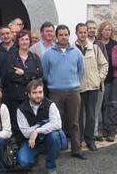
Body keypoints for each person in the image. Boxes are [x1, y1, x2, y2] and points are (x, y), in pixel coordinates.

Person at [41, 25, 86, 159]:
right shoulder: (48, 53)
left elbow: (81, 71)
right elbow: (45, 72)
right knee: (55, 122)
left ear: (69, 35)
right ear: (56, 36)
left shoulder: (76, 52)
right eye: (61, 34)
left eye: (66, 34)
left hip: (73, 91)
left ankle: (76, 150)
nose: (63, 37)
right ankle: (56, 149)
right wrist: (54, 82)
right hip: (55, 92)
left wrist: (72, 82)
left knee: (74, 122)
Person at [16, 80, 62, 174]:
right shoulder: (21, 109)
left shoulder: (50, 105)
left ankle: (51, 166)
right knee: (24, 162)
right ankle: (35, 156)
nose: (38, 95)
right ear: (29, 94)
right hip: (31, 141)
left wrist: (37, 130)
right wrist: (43, 125)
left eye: (40, 92)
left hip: (47, 138)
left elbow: (57, 124)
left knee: (55, 135)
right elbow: (25, 133)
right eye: (34, 93)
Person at [74, 23, 108, 150]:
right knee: (78, 116)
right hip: (78, 87)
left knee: (91, 115)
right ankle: (79, 139)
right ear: (76, 33)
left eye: (85, 32)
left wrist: (99, 78)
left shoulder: (94, 48)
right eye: (80, 32)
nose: (83, 34)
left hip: (93, 87)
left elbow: (104, 64)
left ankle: (90, 139)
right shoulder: (72, 50)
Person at [5, 30, 43, 141]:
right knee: (17, 124)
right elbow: (11, 75)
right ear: (18, 41)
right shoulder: (11, 56)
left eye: (27, 39)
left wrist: (24, 73)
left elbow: (39, 73)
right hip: (16, 97)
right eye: (22, 39)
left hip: (31, 97)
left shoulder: (34, 57)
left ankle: (33, 146)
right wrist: (30, 76)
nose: (24, 42)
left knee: (31, 122)